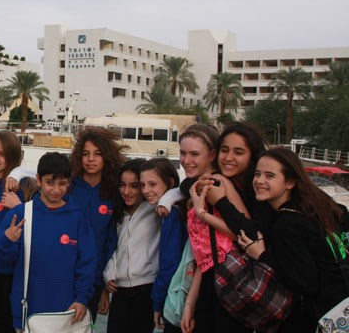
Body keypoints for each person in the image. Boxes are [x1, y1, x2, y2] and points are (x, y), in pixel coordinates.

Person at [236, 148, 349, 331]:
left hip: (326, 317)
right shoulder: (320, 208)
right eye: (257, 174)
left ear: (290, 182)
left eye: (270, 176)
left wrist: (262, 255)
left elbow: (306, 283)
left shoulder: (287, 226)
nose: (259, 181)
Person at [0, 152, 97, 331]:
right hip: (28, 311)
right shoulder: (20, 214)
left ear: (69, 183)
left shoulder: (77, 218)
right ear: (38, 180)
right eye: (50, 182)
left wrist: (82, 298)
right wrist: (7, 241)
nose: (56, 189)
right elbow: (0, 259)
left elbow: (87, 263)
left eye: (62, 183)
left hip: (67, 314)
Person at [170, 125, 250, 333]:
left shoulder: (218, 182)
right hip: (210, 280)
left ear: (212, 155)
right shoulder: (196, 186)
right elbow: (205, 255)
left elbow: (244, 232)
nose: (186, 160)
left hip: (229, 280)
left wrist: (202, 214)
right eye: (183, 153)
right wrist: (190, 303)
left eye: (195, 154)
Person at [0, 130, 37, 333]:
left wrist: (19, 206)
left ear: (12, 157)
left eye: (2, 154)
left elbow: (37, 225)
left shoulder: (20, 187)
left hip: (13, 274)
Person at [69, 127, 126, 320]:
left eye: (97, 154)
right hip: (64, 276)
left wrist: (104, 288)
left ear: (106, 157)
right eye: (86, 154)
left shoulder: (114, 192)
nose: (90, 159)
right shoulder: (68, 187)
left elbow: (111, 242)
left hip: (93, 280)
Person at [103, 158, 160, 333]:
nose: (126, 191)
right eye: (122, 185)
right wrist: (109, 274)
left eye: (134, 186)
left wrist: (167, 201)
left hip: (146, 289)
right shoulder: (118, 213)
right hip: (119, 290)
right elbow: (114, 248)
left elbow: (177, 192)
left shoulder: (156, 210)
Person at [140, 157, 187, 333]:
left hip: (176, 295)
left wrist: (158, 302)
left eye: (152, 184)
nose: (146, 190)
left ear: (170, 183)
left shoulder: (171, 214)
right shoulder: (178, 208)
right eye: (143, 185)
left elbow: (169, 262)